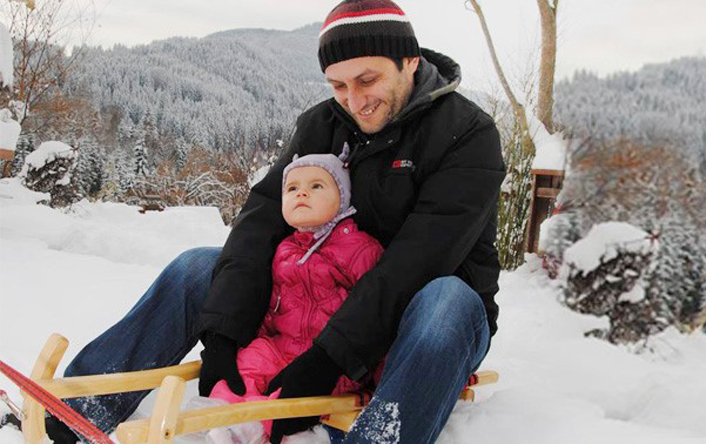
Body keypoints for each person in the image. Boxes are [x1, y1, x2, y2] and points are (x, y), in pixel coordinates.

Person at [7, 1, 505, 443]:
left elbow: (417, 262)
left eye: (367, 80)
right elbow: (262, 218)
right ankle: (70, 415)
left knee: (446, 300)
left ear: (410, 62)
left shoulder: (467, 134)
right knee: (198, 267)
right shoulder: (322, 124)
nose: (353, 100)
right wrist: (224, 334)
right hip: (313, 298)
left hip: (416, 316)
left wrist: (328, 358)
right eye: (338, 85)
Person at [194, 151, 384, 444]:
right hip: (281, 346)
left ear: (343, 197)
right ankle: (220, 417)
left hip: (330, 359)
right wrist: (249, 341)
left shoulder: (360, 249)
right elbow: (271, 306)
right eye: (292, 188)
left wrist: (379, 377)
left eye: (317, 186)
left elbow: (376, 314)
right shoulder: (284, 250)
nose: (302, 193)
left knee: (289, 393)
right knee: (248, 363)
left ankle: (264, 429)